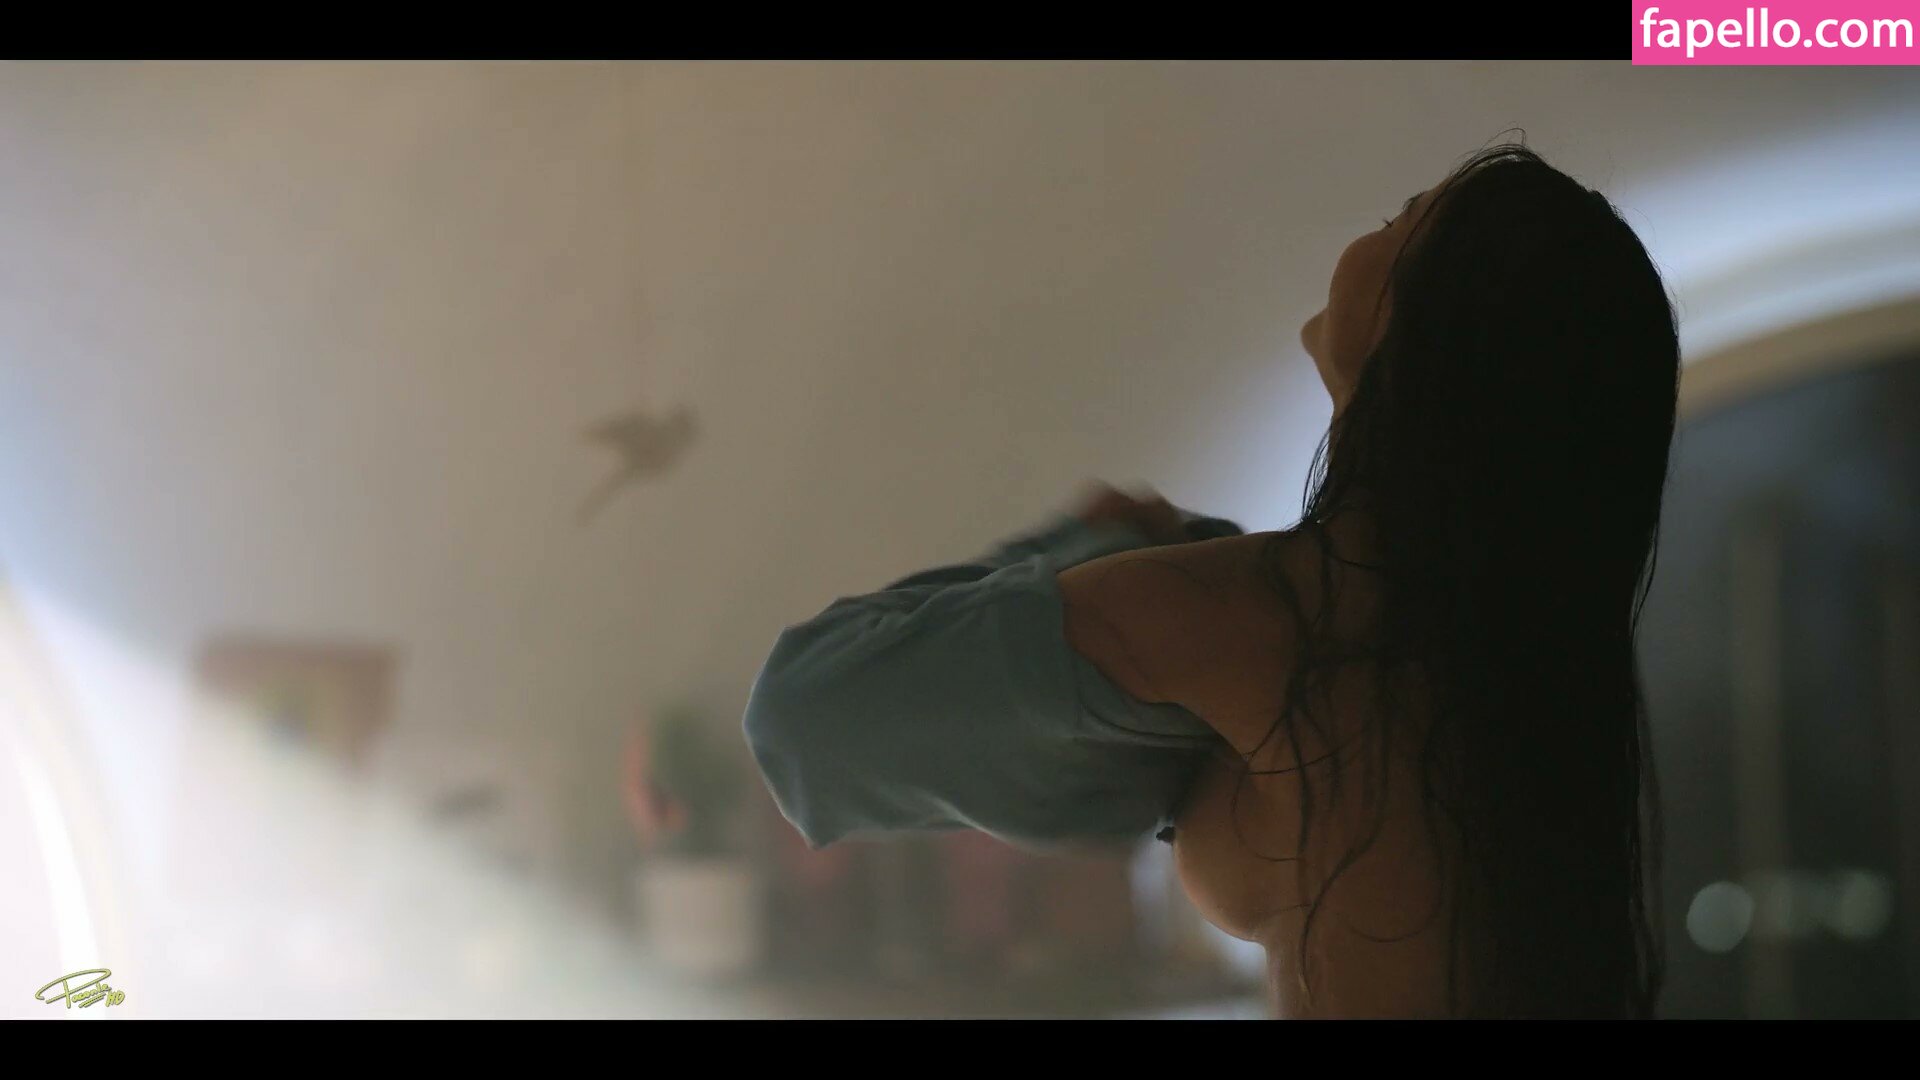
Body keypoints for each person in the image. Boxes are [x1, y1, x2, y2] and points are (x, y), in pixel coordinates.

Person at [744, 143, 1678, 1018]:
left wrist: (1085, 542)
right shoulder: (1501, 665)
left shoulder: (1279, 614)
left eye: (1403, 220)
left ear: (1438, 326)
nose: (1372, 232)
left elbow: (806, 718)